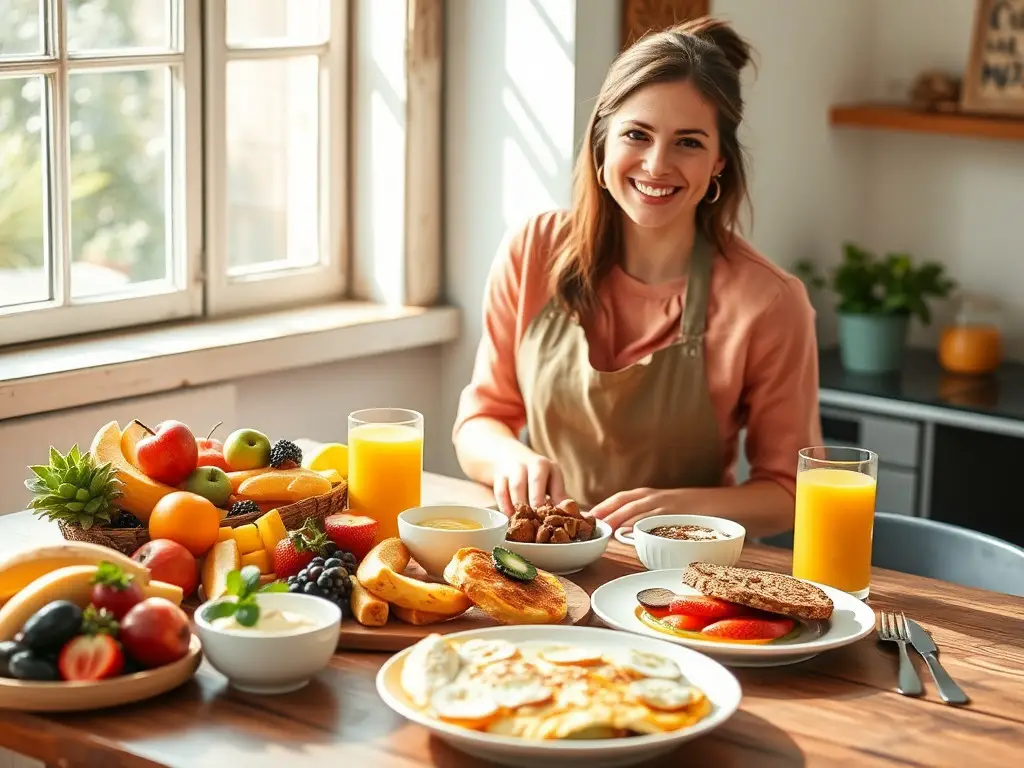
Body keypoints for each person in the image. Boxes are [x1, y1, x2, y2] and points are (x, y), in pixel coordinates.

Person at [451, 16, 822, 538]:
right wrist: (511, 459)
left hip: (685, 579)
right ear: (601, 144)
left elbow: (790, 493)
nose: (656, 164)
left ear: (719, 161)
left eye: (688, 143)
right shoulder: (533, 249)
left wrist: (677, 510)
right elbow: (480, 423)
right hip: (544, 558)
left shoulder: (768, 301)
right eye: (636, 134)